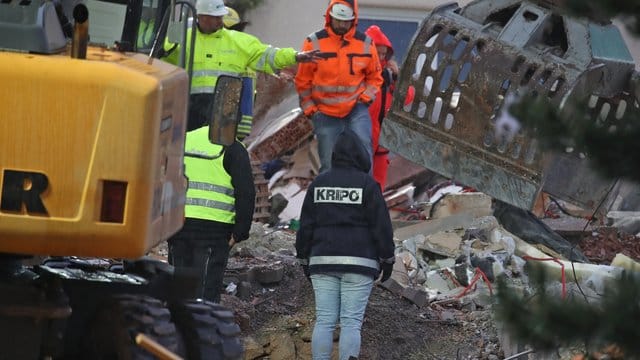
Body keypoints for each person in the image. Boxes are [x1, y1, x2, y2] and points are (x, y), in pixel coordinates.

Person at [295, 128, 395, 360]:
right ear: (360, 156)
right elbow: (381, 227)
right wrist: (387, 258)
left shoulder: (319, 184)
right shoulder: (368, 186)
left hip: (322, 261)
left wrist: (304, 258)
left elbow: (306, 226)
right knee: (351, 323)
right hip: (359, 263)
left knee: (325, 320)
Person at [162, 0, 320, 132]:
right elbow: (161, 65)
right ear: (202, 17)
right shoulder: (181, 40)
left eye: (221, 17)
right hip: (191, 110)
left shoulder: (239, 41)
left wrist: (294, 56)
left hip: (225, 110)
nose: (220, 21)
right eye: (215, 17)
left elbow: (268, 55)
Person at [167, 125, 255, 303]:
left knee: (178, 289)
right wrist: (240, 232)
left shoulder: (182, 140)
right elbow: (246, 193)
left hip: (179, 224)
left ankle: (176, 327)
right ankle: (199, 328)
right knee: (206, 291)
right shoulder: (232, 146)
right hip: (215, 230)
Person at [294, 0, 383, 174]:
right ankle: (329, 198)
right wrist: (310, 108)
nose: (342, 25)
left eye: (346, 21)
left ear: (353, 20)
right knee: (328, 161)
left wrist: (365, 99)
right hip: (324, 111)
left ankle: (365, 194)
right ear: (330, 17)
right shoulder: (313, 42)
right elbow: (303, 80)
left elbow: (375, 78)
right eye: (338, 20)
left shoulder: (366, 43)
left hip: (356, 108)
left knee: (364, 153)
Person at [364, 25, 397, 192]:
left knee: (376, 192)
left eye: (385, 54)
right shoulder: (357, 74)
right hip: (362, 142)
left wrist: (397, 78)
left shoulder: (388, 77)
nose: (382, 57)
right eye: (379, 52)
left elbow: (407, 98)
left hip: (381, 145)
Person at [222, 6, 255, 141]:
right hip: (231, 127)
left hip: (230, 127)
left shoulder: (241, 51)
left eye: (237, 30)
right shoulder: (244, 52)